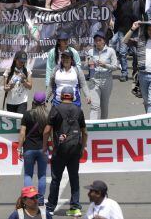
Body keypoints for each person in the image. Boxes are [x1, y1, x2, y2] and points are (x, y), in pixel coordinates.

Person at [43, 86, 87, 218]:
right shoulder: (78, 110)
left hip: (60, 150)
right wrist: (82, 147)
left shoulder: (55, 109)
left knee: (56, 179)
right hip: (75, 149)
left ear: (61, 96)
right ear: (72, 96)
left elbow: (46, 130)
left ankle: (50, 207)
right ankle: (75, 207)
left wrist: (45, 146)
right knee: (74, 178)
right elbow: (84, 132)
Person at [18, 92, 50, 206]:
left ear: (33, 102)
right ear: (44, 102)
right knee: (42, 175)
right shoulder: (47, 115)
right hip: (43, 148)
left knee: (28, 175)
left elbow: (22, 133)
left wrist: (19, 148)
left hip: (29, 148)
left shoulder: (27, 114)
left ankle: (28, 199)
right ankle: (40, 200)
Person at [84, 32, 118, 119]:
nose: (97, 42)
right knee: (94, 106)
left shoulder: (110, 51)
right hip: (94, 80)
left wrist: (105, 65)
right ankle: (93, 128)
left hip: (106, 80)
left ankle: (103, 128)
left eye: (100, 40)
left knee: (104, 105)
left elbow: (115, 66)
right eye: (96, 40)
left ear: (104, 41)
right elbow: (85, 66)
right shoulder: (90, 51)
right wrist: (87, 62)